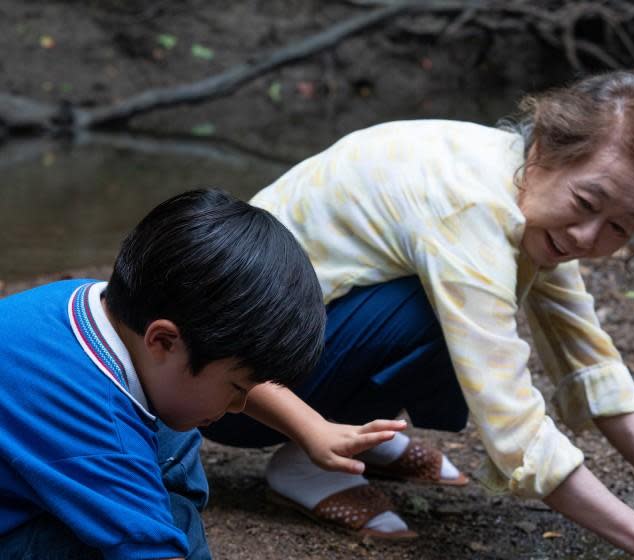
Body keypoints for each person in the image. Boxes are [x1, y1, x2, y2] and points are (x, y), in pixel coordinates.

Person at [202, 71, 634, 557]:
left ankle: (358, 426)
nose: (589, 236)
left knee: (453, 301)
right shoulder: (472, 209)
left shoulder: (523, 189)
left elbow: (588, 357)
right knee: (443, 316)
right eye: (586, 203)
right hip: (230, 390)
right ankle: (307, 461)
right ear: (544, 149)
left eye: (620, 226)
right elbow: (512, 424)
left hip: (297, 344)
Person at [0, 189, 405, 559]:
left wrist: (312, 427)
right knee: (158, 524)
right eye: (235, 388)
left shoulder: (98, 303)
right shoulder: (100, 432)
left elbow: (223, 363)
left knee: (173, 427)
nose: (238, 406)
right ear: (162, 340)